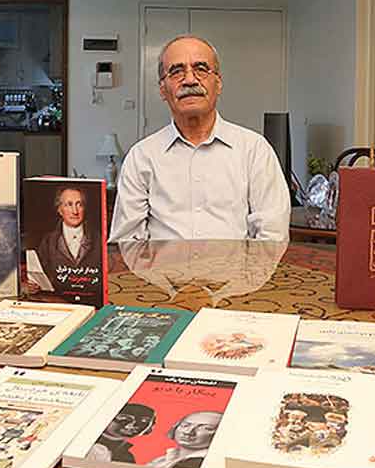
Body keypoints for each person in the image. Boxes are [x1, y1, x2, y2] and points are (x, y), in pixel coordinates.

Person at [109, 35, 291, 242]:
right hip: (162, 265)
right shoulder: (141, 157)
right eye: (176, 72)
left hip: (235, 265)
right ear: (162, 90)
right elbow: (127, 242)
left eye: (201, 69)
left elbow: (272, 236)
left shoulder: (254, 150)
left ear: (218, 84)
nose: (190, 80)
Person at [33, 186, 104, 291]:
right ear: (59, 210)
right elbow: (41, 277)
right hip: (58, 298)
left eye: (79, 204)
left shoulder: (99, 239)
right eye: (69, 205)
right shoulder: (48, 242)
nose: (75, 211)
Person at [147, 411, 224, 468]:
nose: (188, 432)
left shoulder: (200, 463)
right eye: (185, 425)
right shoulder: (164, 459)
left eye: (206, 428)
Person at [86, 403, 157, 464]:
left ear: (149, 428)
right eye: (125, 418)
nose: (133, 424)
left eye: (143, 422)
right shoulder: (87, 441)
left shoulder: (126, 458)